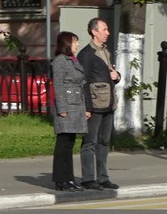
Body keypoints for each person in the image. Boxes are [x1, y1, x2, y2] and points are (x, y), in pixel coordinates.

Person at [77, 18, 120, 190]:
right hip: (94, 105)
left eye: (107, 29)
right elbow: (83, 82)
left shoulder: (105, 51)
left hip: (108, 104)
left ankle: (103, 177)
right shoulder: (86, 54)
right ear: (94, 32)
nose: (107, 33)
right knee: (89, 142)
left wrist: (118, 76)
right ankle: (88, 179)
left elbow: (110, 75)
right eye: (104, 29)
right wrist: (86, 107)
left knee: (104, 142)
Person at [50, 31, 88, 191]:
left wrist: (85, 109)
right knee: (63, 144)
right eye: (75, 41)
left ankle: (69, 179)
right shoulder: (60, 61)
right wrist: (62, 109)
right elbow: (58, 86)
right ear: (66, 43)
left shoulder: (73, 60)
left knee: (69, 144)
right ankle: (61, 179)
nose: (77, 45)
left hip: (76, 105)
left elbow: (80, 83)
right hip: (67, 107)